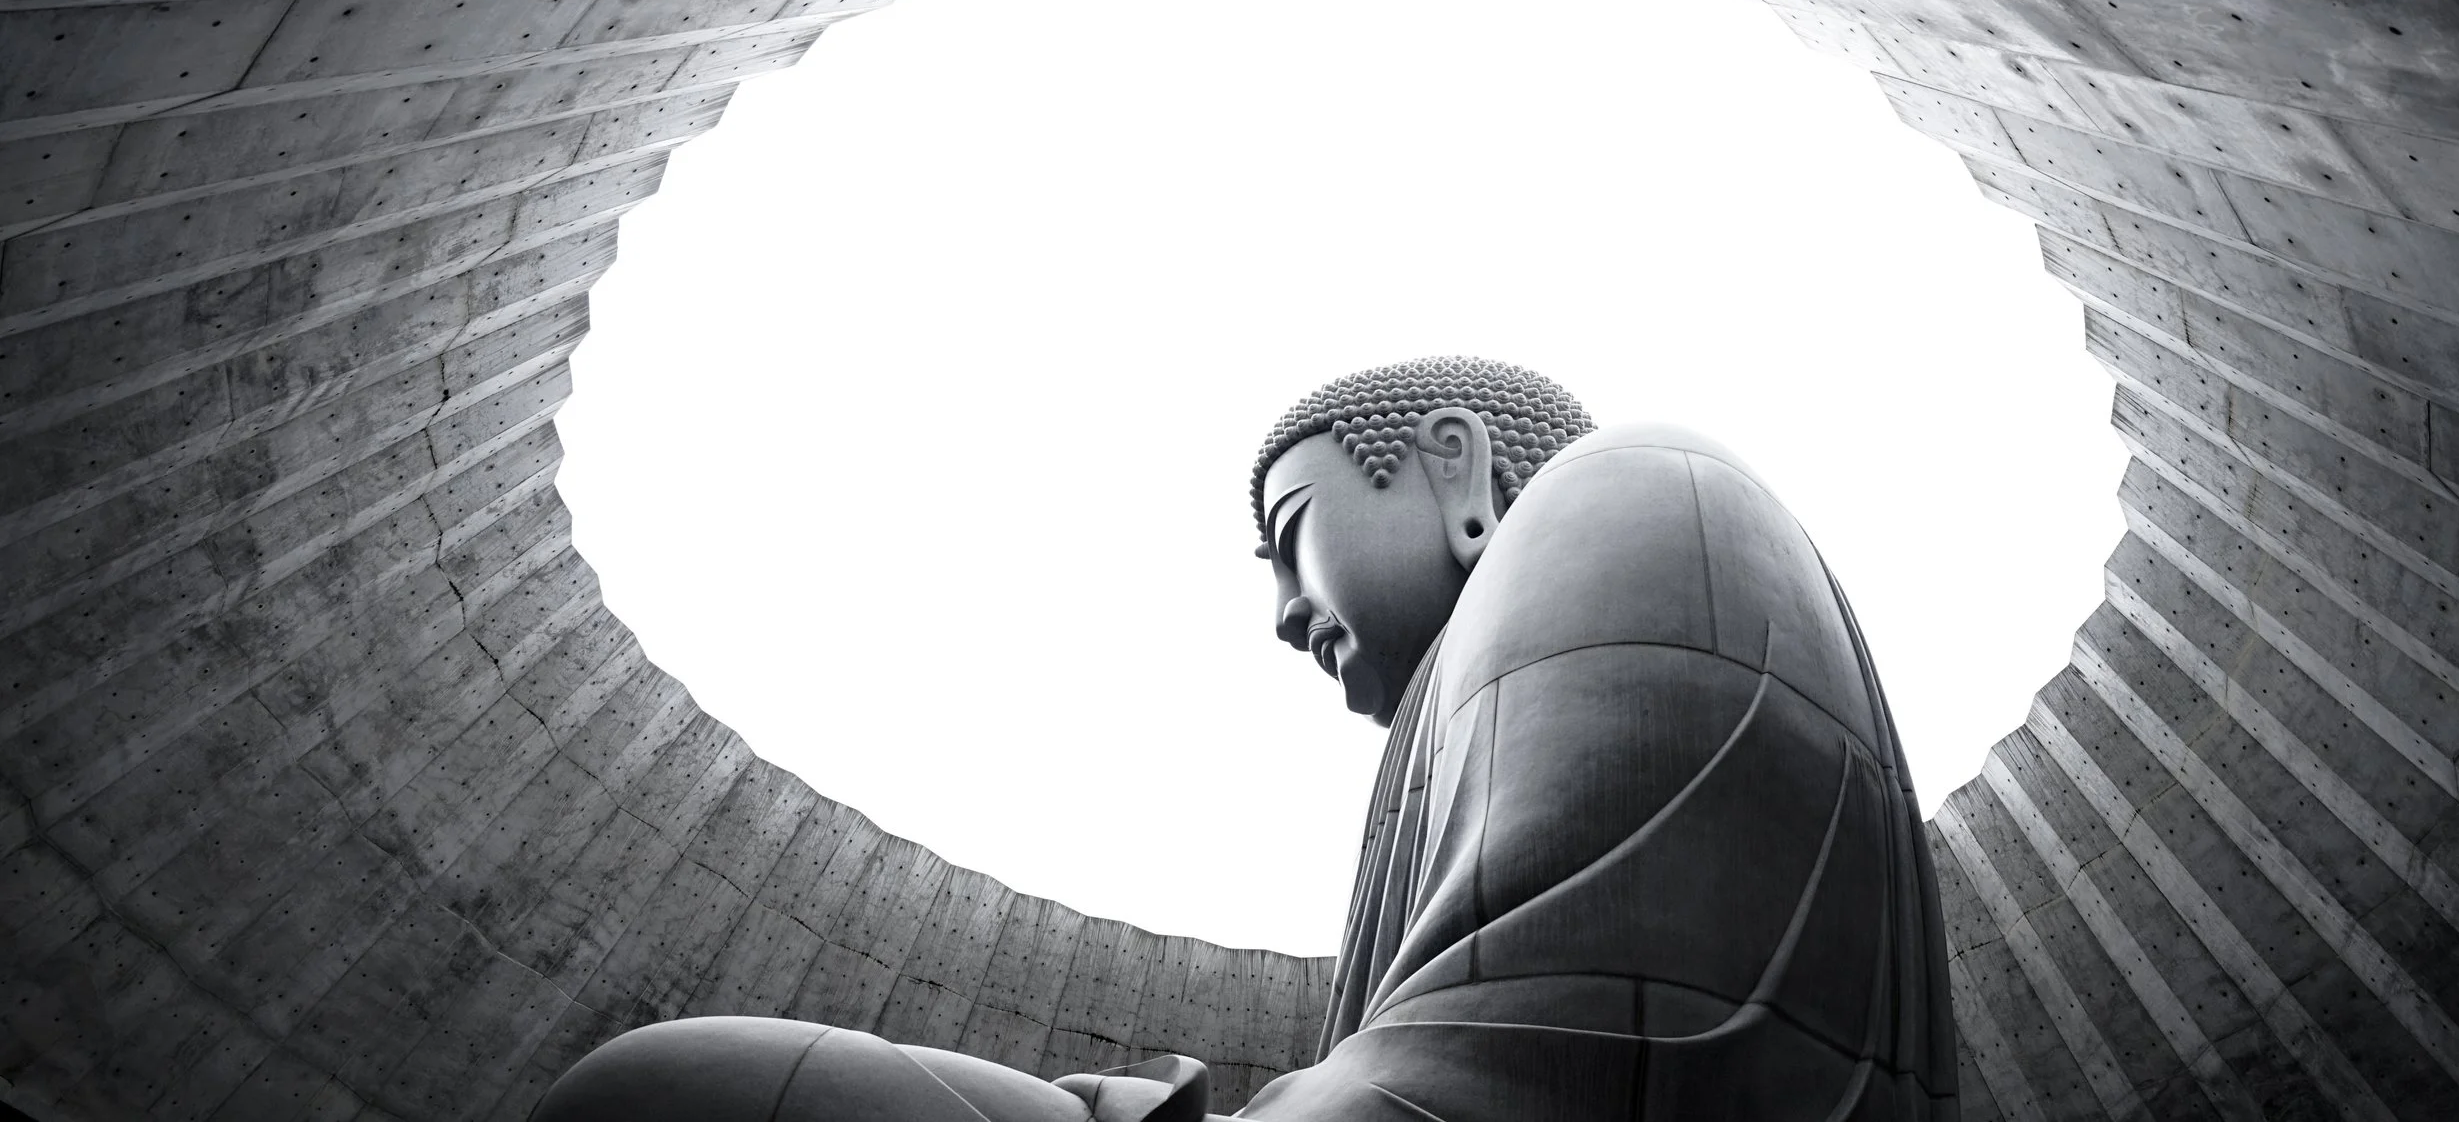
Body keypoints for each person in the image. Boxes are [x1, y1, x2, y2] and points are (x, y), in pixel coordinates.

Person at [535, 358, 1956, 1121]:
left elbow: (1609, 1057)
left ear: (1458, 468)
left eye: (1289, 537)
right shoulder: (1455, 722)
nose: (1285, 612)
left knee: (662, 1097)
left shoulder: (1638, 493)